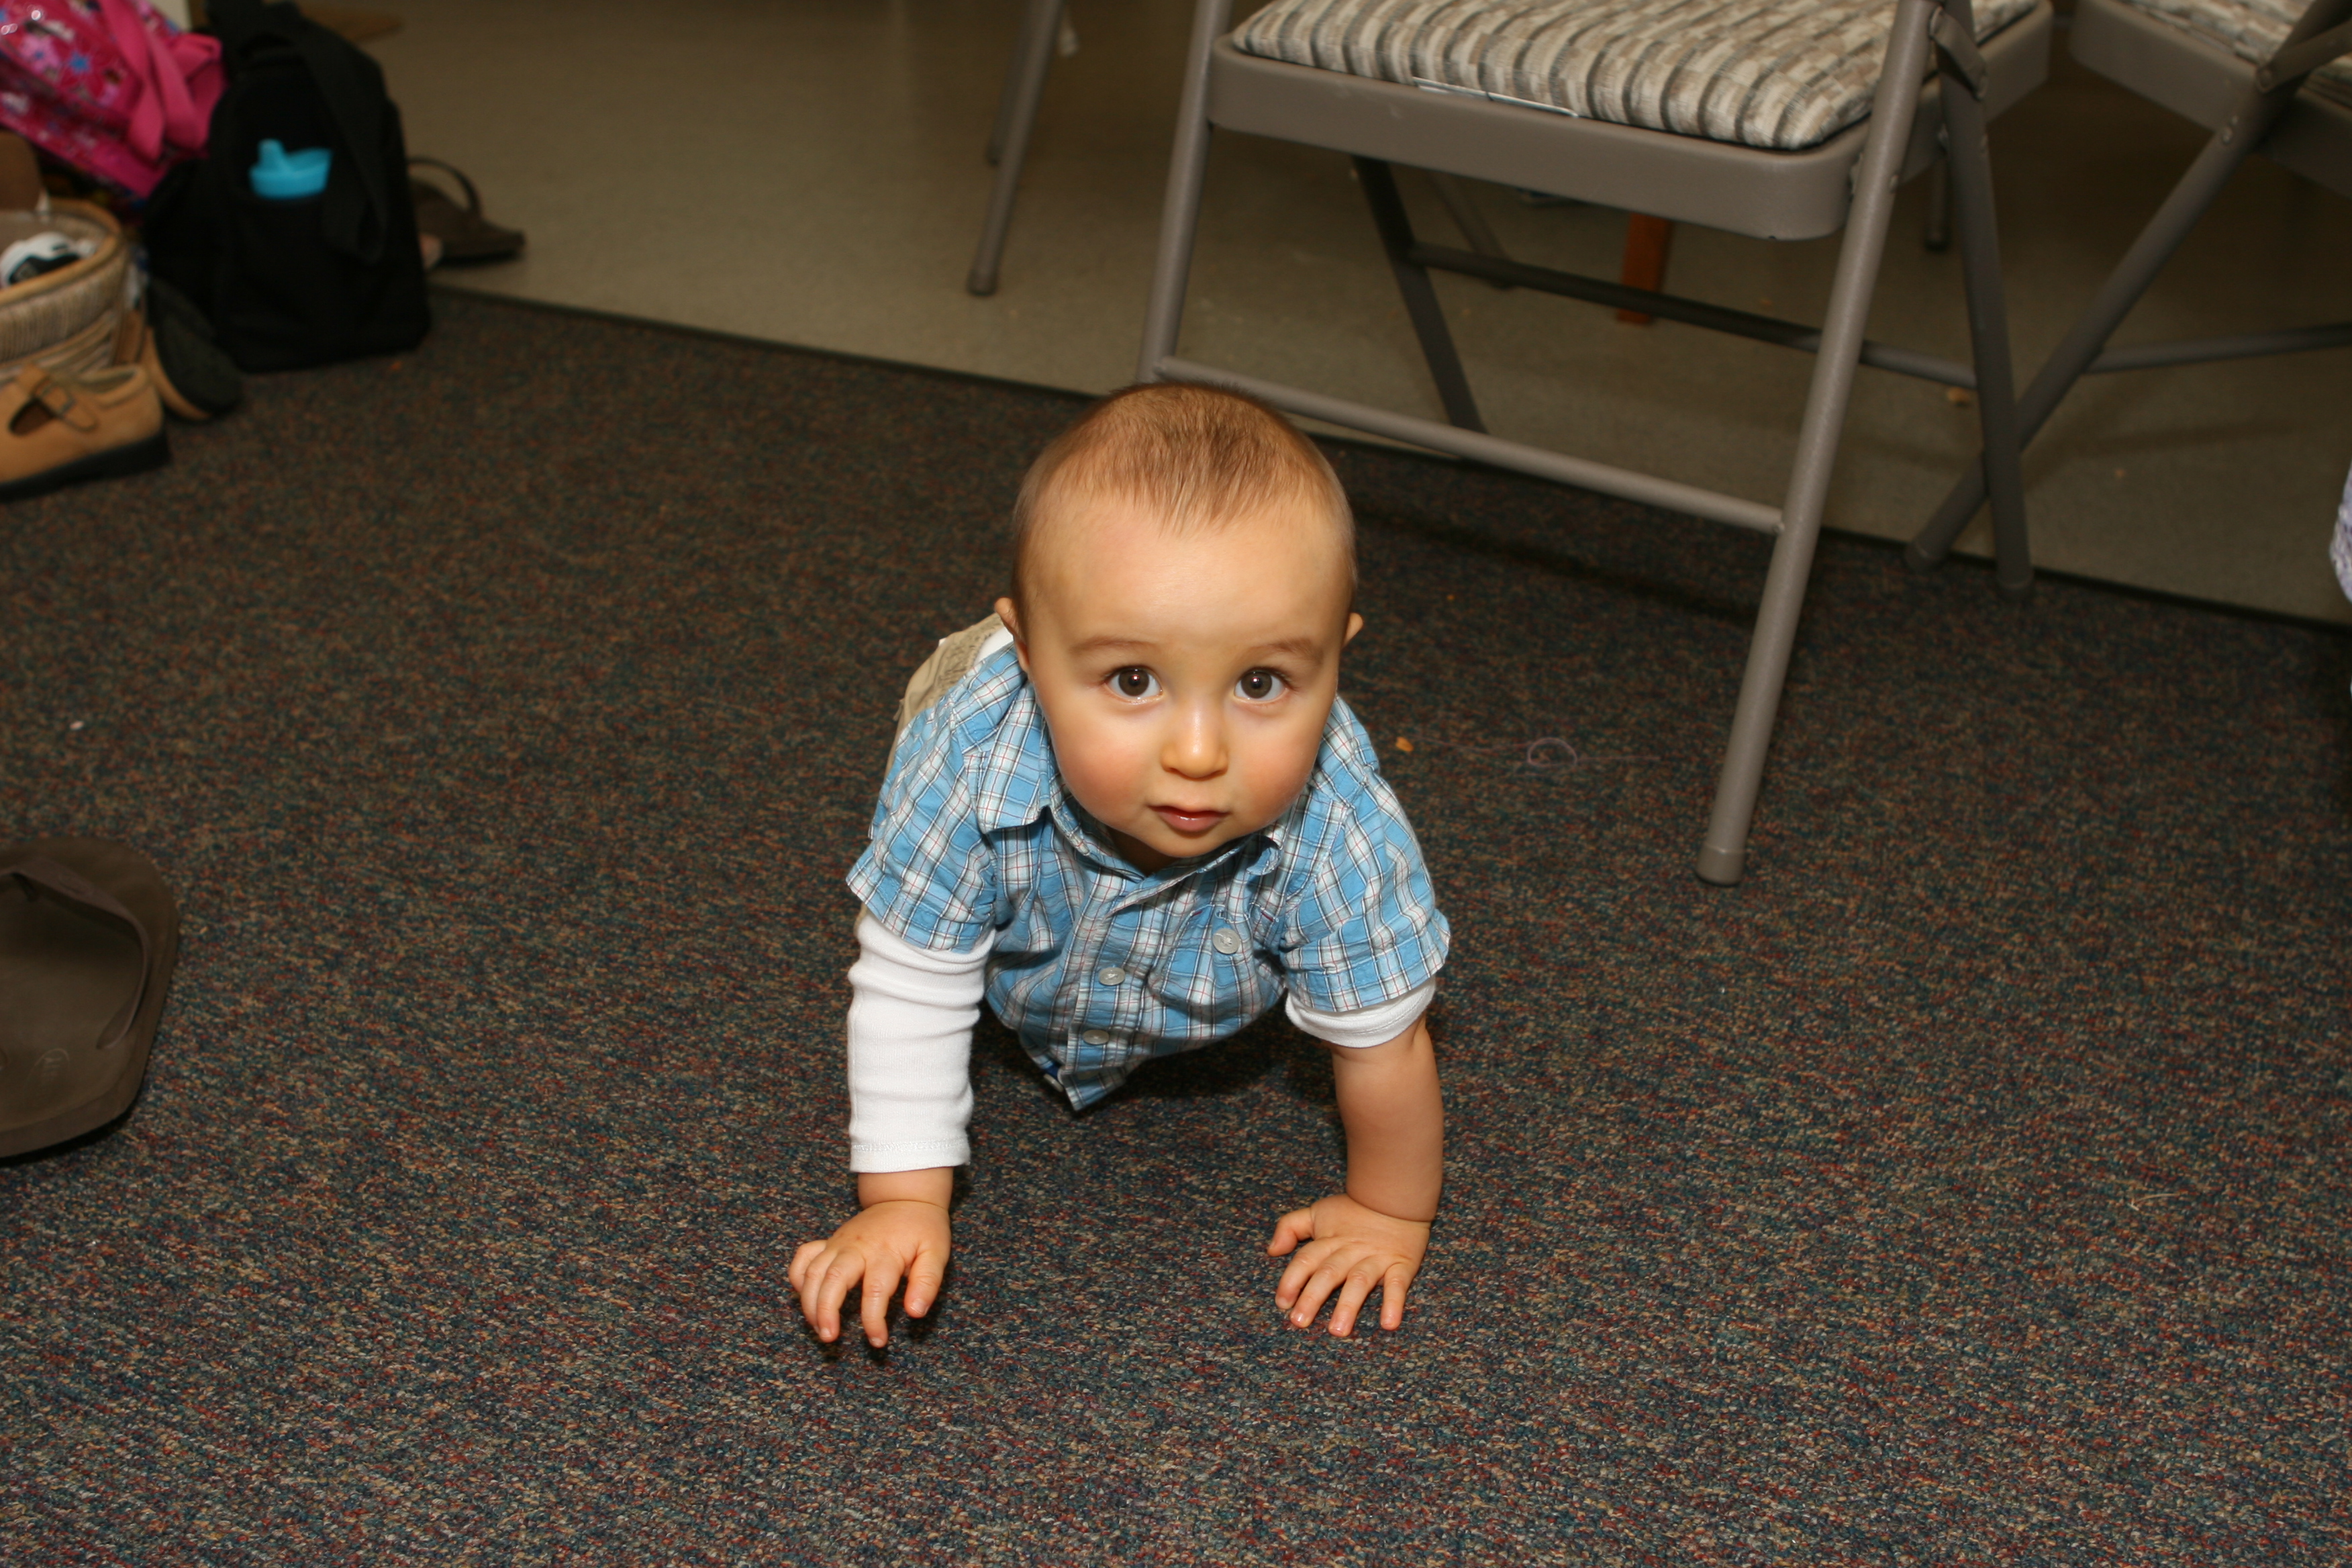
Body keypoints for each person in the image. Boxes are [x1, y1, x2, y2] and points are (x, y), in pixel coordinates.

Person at [789, 383, 1451, 1349]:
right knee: (936, 839)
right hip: (987, 750)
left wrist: (1389, 1210)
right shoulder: (965, 764)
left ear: (1336, 660)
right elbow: (911, 987)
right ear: (1029, 656)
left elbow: (1385, 1043)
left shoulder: (1340, 830)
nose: (1198, 752)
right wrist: (901, 1199)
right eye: (1134, 680)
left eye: (1261, 681)